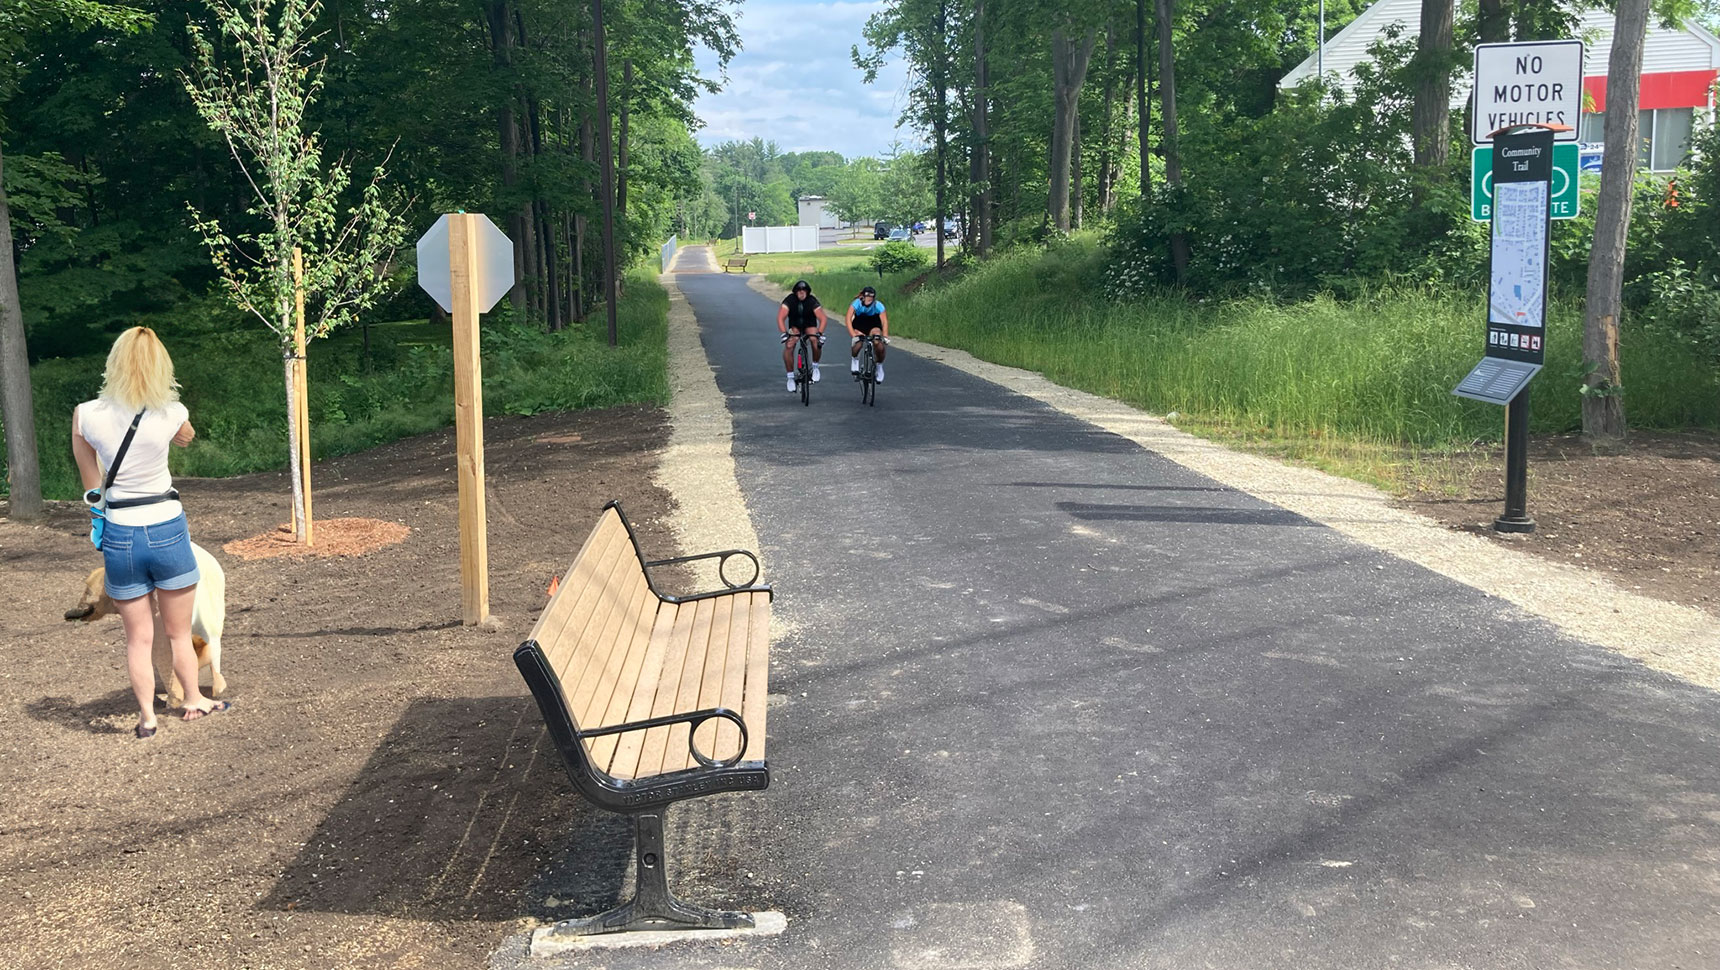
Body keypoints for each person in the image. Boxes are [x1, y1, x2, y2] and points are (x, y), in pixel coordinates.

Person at [71, 327, 229, 739]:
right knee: (178, 632)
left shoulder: (86, 414)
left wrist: (98, 513)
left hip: (121, 533)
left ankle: (147, 717)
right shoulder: (173, 411)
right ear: (161, 366)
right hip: (166, 526)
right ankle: (194, 699)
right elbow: (187, 438)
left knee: (137, 640)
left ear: (115, 363)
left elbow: (92, 489)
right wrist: (179, 431)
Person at [777, 279, 827, 391]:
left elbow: (823, 318)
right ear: (795, 292)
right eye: (799, 290)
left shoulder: (812, 300)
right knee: (789, 345)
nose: (801, 292)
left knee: (815, 340)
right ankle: (790, 377)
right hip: (795, 326)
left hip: (809, 325)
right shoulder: (790, 300)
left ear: (808, 291)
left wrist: (820, 333)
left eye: (804, 290)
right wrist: (784, 333)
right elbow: (781, 317)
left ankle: (815, 367)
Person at [844, 285, 889, 383]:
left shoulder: (878, 305)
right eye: (867, 296)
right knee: (858, 341)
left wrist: (885, 336)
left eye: (871, 297)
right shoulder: (856, 303)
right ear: (863, 297)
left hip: (873, 324)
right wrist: (853, 335)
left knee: (878, 342)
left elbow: (884, 321)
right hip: (860, 324)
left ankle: (879, 366)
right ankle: (855, 359)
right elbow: (848, 318)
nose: (869, 299)